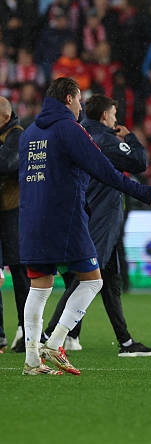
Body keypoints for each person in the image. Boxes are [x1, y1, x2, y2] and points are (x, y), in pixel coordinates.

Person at [18, 77, 151, 376]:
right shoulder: (70, 129)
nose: (81, 107)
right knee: (92, 281)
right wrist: (142, 192)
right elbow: (104, 170)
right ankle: (56, 342)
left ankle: (32, 360)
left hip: (31, 218)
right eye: (79, 100)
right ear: (69, 98)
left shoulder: (30, 133)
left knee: (40, 286)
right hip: (65, 218)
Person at [42, 93, 151, 357]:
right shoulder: (105, 139)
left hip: (87, 211)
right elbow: (140, 162)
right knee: (86, 278)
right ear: (105, 115)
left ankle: (125, 342)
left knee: (109, 281)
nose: (116, 120)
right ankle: (49, 335)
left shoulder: (79, 134)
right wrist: (129, 137)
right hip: (102, 216)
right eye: (114, 114)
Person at [0, 96, 30, 353]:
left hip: (13, 212)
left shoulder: (18, 135)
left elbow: (8, 164)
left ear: (5, 117)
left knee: (20, 270)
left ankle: (26, 327)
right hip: (5, 211)